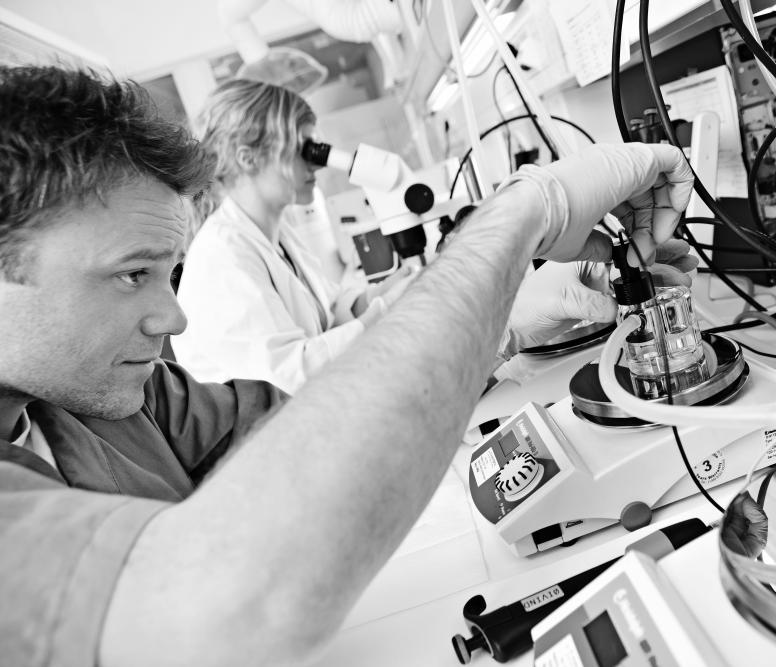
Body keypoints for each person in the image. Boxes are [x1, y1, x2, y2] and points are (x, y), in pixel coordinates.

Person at [0, 65, 695, 666]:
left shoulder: (114, 398)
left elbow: (319, 432)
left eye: (165, 274)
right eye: (132, 275)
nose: (174, 319)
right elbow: (222, 610)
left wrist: (501, 325)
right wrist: (516, 222)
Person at [171, 79, 413, 393]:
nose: (317, 164)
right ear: (248, 158)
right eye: (303, 149)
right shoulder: (221, 256)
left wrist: (385, 292)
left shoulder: (275, 232)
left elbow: (328, 312)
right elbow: (289, 377)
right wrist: (385, 310)